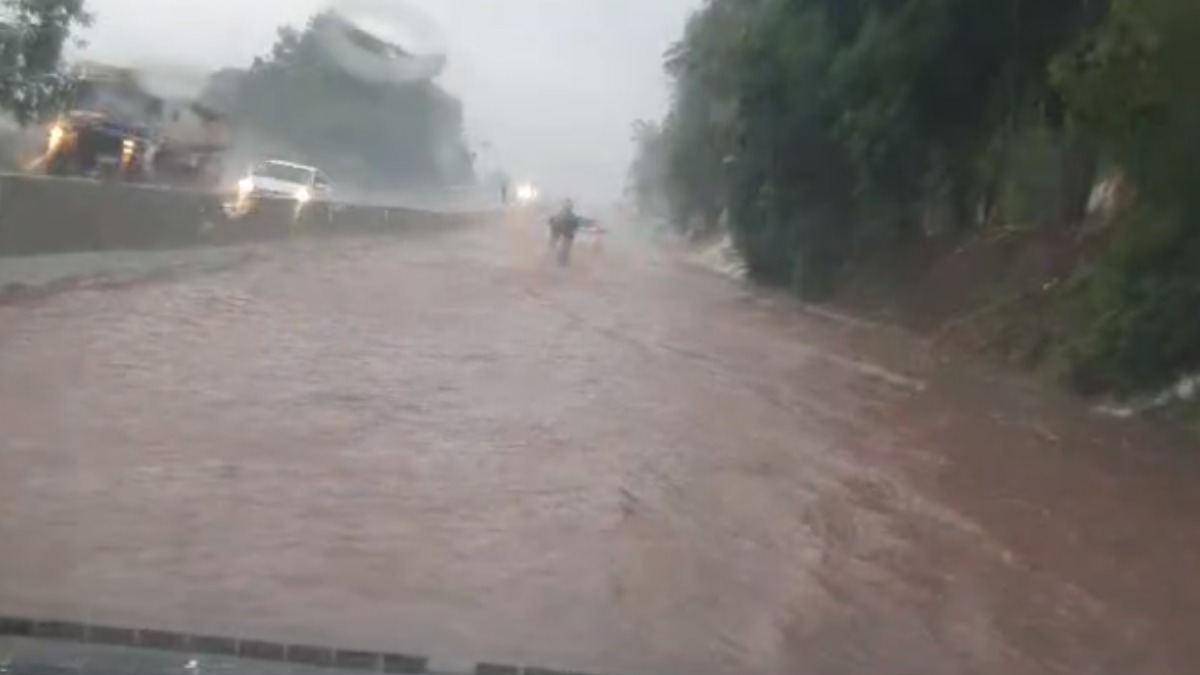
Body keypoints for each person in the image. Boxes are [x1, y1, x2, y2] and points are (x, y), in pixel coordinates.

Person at [547, 199, 584, 265]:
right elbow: (576, 225)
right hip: (563, 234)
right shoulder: (565, 215)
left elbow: (575, 225)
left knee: (563, 245)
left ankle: (558, 258)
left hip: (565, 234)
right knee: (562, 245)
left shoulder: (562, 215)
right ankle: (558, 258)